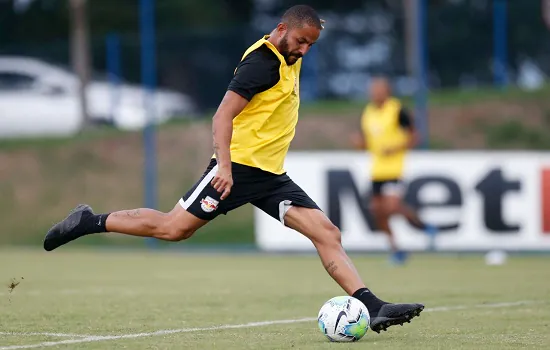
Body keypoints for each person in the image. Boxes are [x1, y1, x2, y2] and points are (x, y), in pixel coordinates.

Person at [43, 5, 424, 333]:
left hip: (270, 176)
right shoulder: (261, 64)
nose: (305, 50)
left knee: (327, 232)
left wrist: (312, 30)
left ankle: (372, 308)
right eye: (301, 42)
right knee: (172, 228)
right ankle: (87, 222)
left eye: (311, 44)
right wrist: (223, 166)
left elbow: (306, 28)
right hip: (237, 169)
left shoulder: (290, 53)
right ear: (281, 29)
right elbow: (222, 114)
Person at [351, 78, 437, 265]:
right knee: (377, 211)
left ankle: (425, 227)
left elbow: (415, 136)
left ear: (387, 91)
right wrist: (360, 144)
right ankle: (396, 249)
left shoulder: (397, 111)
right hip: (376, 171)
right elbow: (367, 141)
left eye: (378, 90)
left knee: (391, 207)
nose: (374, 93)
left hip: (395, 169)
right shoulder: (368, 112)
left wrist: (396, 148)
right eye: (372, 90)